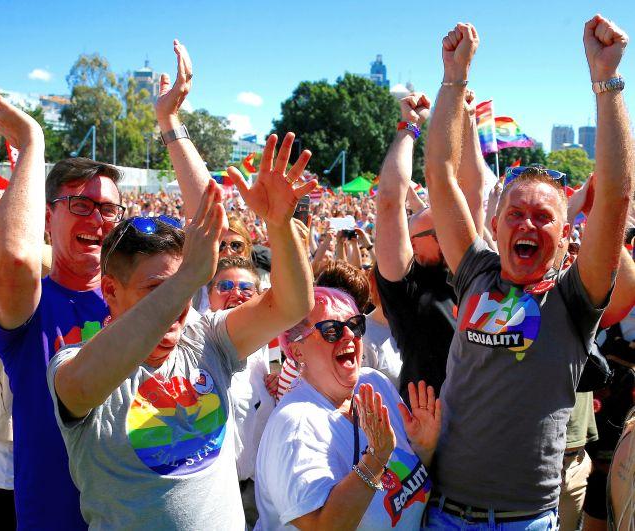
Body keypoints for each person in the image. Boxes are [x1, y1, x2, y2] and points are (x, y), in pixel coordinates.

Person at [48, 119, 317, 528]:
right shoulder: (75, 363)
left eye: (180, 287)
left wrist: (280, 226)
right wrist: (189, 277)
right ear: (111, 291)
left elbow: (293, 305)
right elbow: (81, 386)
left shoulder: (208, 338)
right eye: (156, 288)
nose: (175, 304)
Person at [423, 15, 633, 529]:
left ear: (566, 237)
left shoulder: (574, 299)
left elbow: (614, 197)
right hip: (443, 512)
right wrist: (453, 80)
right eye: (515, 213)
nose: (527, 224)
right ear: (494, 225)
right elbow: (440, 175)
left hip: (526, 520)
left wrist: (606, 81)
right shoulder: (475, 271)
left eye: (544, 217)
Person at [0, 85, 124, 529]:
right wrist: (31, 143)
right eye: (81, 204)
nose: (97, 220)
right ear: (46, 217)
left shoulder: (141, 303)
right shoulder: (31, 307)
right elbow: (13, 262)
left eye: (109, 210)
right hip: (55, 517)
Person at [255, 286, 440, 530]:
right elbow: (324, 526)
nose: (349, 335)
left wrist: (424, 449)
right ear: (297, 350)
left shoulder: (374, 384)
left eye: (355, 325)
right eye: (330, 330)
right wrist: (374, 460)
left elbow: (405, 488)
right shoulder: (296, 426)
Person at [374, 89, 489, 402]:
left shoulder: (469, 271)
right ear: (410, 243)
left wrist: (469, 120)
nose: (450, 235)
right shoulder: (404, 288)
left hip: (482, 423)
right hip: (427, 432)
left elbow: (473, 191)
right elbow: (389, 200)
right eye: (437, 232)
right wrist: (409, 127)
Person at [206, 256, 276, 527]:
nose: (236, 293)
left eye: (246, 288)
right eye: (225, 286)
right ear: (209, 297)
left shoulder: (264, 347)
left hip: (257, 489)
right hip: (215, 493)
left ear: (258, 296)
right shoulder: (193, 344)